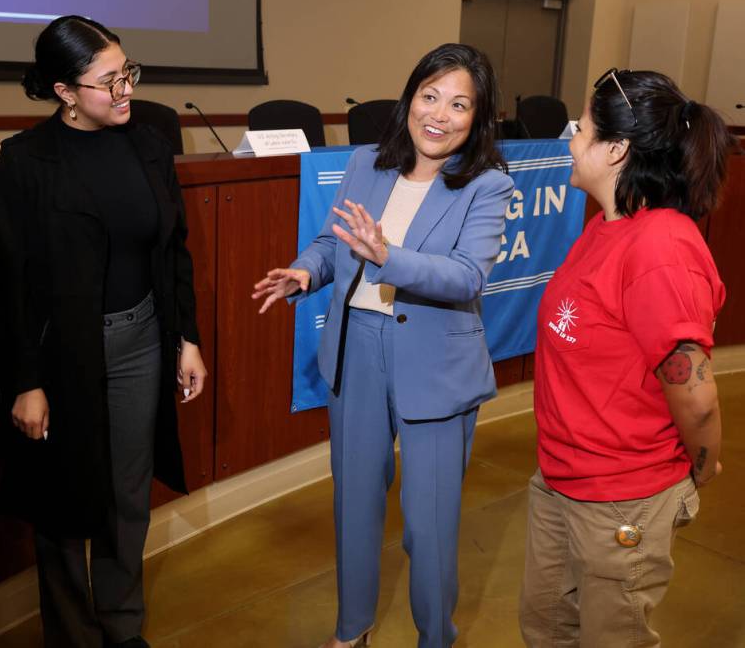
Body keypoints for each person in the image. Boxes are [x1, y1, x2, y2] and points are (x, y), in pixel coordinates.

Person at [253, 44, 514, 648]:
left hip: (436, 364)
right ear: (409, 97)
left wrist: (387, 257)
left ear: (478, 119)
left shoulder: (487, 185)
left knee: (430, 526)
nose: (440, 115)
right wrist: (305, 271)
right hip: (357, 353)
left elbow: (468, 277)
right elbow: (329, 241)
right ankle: (352, 632)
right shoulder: (367, 162)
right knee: (355, 509)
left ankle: (435, 639)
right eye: (430, 96)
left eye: (459, 105)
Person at [0, 15, 206, 648]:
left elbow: (175, 252)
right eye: (108, 81)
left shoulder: (150, 142)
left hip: (142, 341)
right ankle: (73, 635)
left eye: (127, 73)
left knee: (127, 495)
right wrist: (26, 381)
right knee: (64, 502)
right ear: (63, 91)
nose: (126, 90)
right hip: (63, 356)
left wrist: (186, 338)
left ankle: (122, 622)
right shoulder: (27, 162)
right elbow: (11, 283)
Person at [519, 69, 734, 647]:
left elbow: (696, 393)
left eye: (582, 130)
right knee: (546, 629)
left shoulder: (660, 247)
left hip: (620, 499)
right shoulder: (607, 226)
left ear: (616, 149)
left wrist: (701, 465)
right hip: (563, 480)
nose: (570, 140)